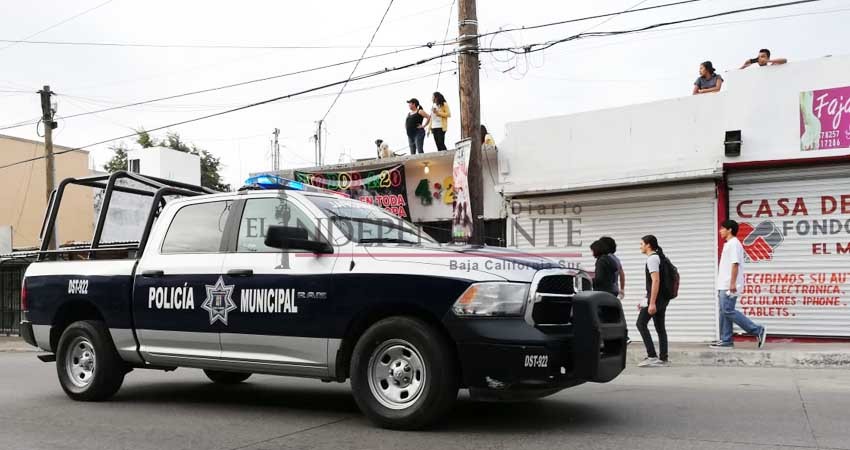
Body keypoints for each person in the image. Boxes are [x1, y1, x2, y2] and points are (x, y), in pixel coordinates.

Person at [710, 220, 768, 349]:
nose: (720, 231)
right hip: (723, 284)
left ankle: (757, 330)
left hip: (729, 285)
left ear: (729, 230)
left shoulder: (734, 244)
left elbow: (735, 263)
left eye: (722, 228)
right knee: (724, 312)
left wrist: (732, 283)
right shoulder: (729, 244)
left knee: (728, 310)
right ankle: (726, 340)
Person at [636, 235, 669, 367]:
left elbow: (656, 281)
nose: (640, 246)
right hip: (662, 298)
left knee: (640, 323)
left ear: (648, 245)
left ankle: (652, 356)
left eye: (641, 244)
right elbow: (653, 284)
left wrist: (652, 303)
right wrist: (646, 299)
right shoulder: (660, 257)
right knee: (660, 328)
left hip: (657, 299)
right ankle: (663, 358)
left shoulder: (652, 259)